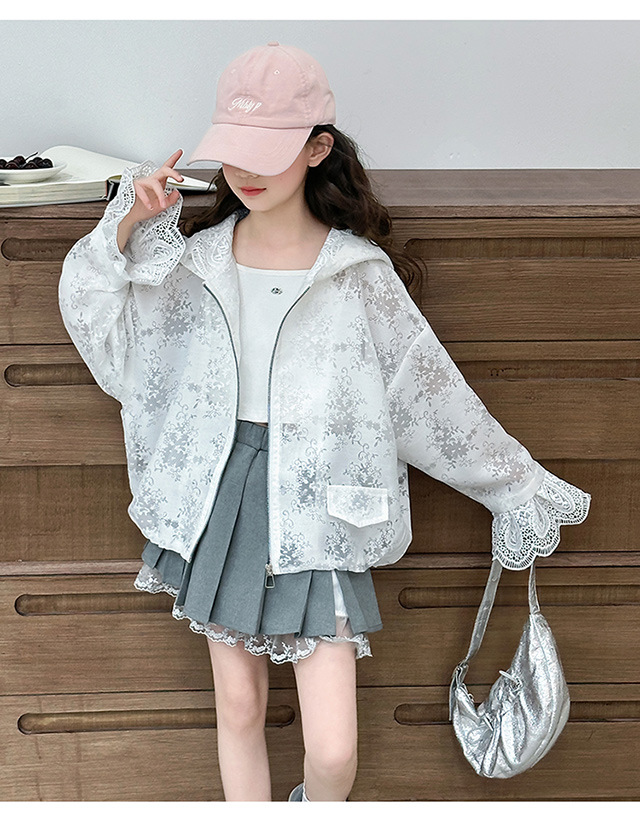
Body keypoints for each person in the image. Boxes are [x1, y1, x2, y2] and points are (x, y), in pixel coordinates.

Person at [58, 42, 592, 802]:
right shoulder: (192, 265)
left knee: (335, 750)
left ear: (317, 149)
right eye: (234, 151)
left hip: (319, 503)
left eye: (268, 150)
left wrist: (515, 487)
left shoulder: (357, 276)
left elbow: (426, 396)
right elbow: (107, 333)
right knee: (238, 708)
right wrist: (125, 226)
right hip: (222, 496)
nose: (245, 171)